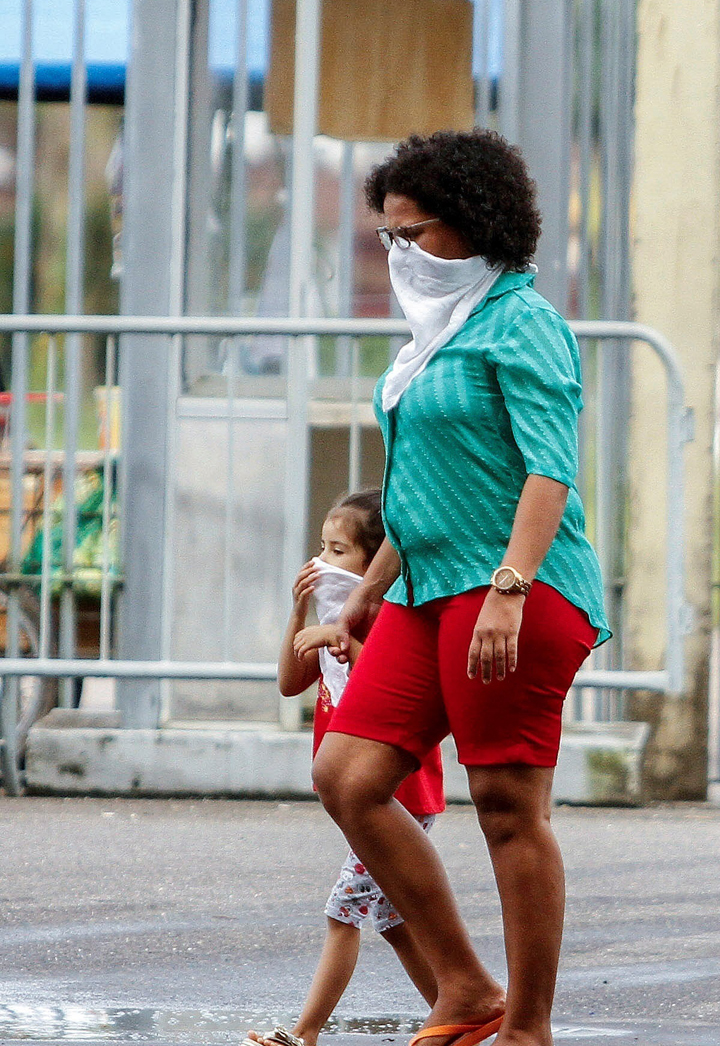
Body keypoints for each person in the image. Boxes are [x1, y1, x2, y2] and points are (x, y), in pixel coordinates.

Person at [313, 128, 608, 1046]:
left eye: (418, 231)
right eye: (389, 235)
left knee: (507, 807)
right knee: (348, 776)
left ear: (477, 225)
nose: (402, 252)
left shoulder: (521, 321)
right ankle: (466, 988)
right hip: (423, 587)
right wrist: (368, 589)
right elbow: (428, 488)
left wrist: (511, 587)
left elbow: (548, 471)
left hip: (516, 590)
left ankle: (527, 1026)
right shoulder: (432, 333)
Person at [249, 490, 446, 1046]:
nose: (321, 562)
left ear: (373, 564)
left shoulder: (389, 622)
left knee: (343, 912)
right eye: (320, 547)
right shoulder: (332, 616)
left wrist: (345, 640)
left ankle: (304, 1034)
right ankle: (458, 1013)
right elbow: (291, 683)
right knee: (393, 921)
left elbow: (386, 695)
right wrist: (299, 614)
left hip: (397, 796)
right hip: (364, 795)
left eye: (337, 551)